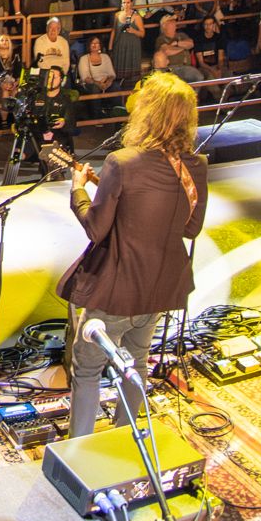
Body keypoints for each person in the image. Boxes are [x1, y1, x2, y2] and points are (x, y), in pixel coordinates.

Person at [59, 72, 208, 440]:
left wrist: (78, 190)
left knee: (88, 369)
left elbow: (96, 228)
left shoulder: (122, 161)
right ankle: (125, 442)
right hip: (157, 290)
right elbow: (190, 229)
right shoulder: (196, 166)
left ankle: (79, 449)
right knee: (136, 362)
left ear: (147, 113)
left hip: (115, 290)